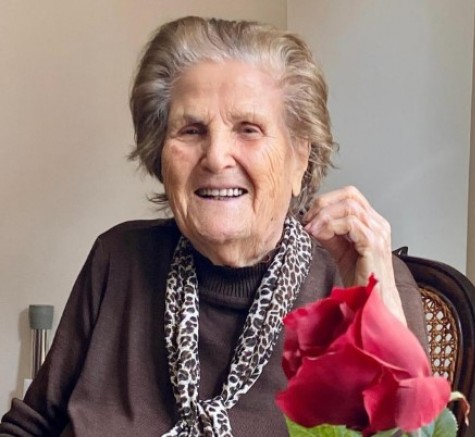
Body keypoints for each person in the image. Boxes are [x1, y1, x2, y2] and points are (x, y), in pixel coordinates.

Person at [0, 16, 427, 437]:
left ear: (300, 158)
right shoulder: (119, 258)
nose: (217, 156)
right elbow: (29, 427)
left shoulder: (356, 281)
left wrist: (377, 321)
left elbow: (406, 427)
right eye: (191, 130)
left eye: (248, 129)